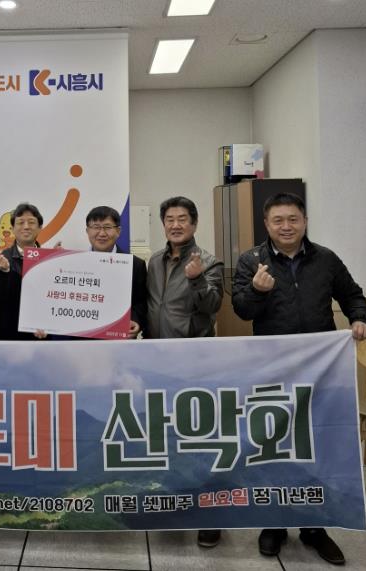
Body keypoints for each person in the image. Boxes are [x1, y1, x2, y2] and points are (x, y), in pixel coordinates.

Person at [232, 192, 366, 565]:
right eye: (278, 220)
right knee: (273, 445)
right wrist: (258, 291)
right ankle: (274, 523)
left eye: (293, 219)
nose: (286, 226)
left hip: (320, 371)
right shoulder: (251, 261)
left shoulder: (326, 259)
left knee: (316, 446)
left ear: (305, 221)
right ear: (267, 224)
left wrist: (360, 318)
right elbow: (241, 309)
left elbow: (353, 297)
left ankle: (314, 527)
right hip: (272, 371)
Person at [145, 196, 224, 548]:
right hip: (157, 360)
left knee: (200, 439)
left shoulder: (208, 261)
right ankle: (174, 506)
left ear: (194, 223)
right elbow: (149, 305)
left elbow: (213, 304)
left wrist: (196, 280)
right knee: (165, 439)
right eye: (169, 219)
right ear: (163, 224)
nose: (175, 225)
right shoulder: (153, 262)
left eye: (182, 219)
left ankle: (210, 515)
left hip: (194, 362)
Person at [0, 202, 47, 340]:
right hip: (7, 337)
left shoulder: (50, 260)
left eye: (31, 222)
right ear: (12, 228)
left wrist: (60, 262)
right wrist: (1, 271)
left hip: (40, 336)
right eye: (20, 222)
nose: (26, 226)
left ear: (40, 227)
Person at [85, 206, 147, 338]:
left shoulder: (136, 265)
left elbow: (141, 303)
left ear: (118, 231)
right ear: (87, 231)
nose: (102, 233)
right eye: (96, 227)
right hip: (82, 340)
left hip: (119, 340)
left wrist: (135, 321)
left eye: (107, 227)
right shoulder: (74, 263)